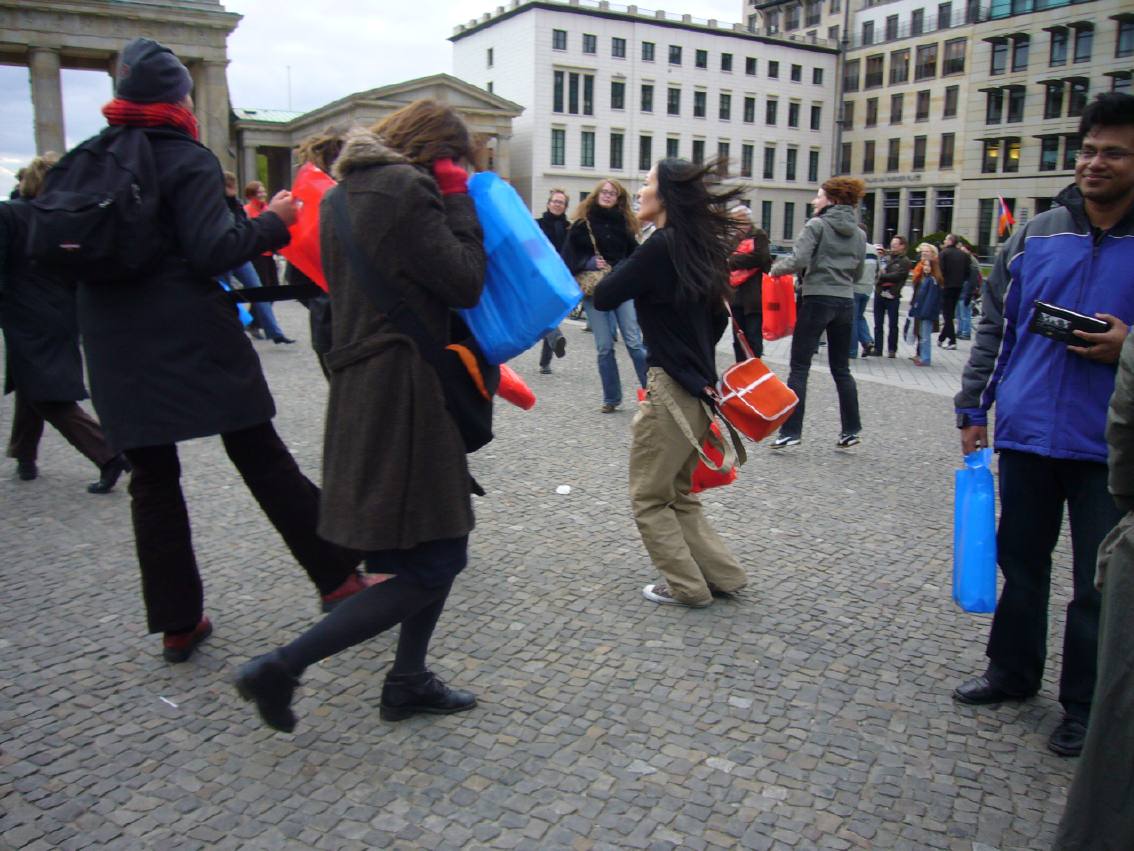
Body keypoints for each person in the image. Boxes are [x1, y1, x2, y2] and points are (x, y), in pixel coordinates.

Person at [78, 37, 376, 663]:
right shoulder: (184, 157)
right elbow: (216, 249)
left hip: (113, 340)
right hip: (190, 331)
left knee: (153, 482)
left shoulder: (88, 157)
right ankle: (339, 577)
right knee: (260, 453)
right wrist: (277, 219)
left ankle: (178, 623)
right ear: (177, 100)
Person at [235, 99, 484, 732]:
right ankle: (282, 667)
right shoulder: (407, 188)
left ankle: (408, 680)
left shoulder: (347, 191)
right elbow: (464, 281)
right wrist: (457, 197)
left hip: (366, 387)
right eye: (453, 162)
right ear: (438, 153)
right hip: (405, 392)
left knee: (427, 542)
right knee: (439, 555)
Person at [952, 92, 1134, 758]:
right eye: (1088, 149)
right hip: (1028, 429)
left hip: (1111, 444)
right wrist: (973, 407)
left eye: (1113, 152)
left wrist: (1128, 343)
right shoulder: (1035, 234)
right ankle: (1011, 672)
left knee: (1098, 582)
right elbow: (994, 327)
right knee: (1021, 563)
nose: (1094, 163)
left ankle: (1084, 706)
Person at [593, 158, 748, 608]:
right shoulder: (701, 247)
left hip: (670, 387)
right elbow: (718, 320)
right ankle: (723, 575)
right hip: (701, 386)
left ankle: (685, 586)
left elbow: (605, 295)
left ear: (666, 196)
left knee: (649, 495)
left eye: (646, 185)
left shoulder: (660, 246)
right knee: (677, 492)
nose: (638, 192)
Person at [1, 156, 128, 493]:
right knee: (33, 384)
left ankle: (108, 453)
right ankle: (24, 453)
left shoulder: (10, 215)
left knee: (46, 394)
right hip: (62, 311)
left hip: (26, 315)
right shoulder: (67, 218)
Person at [1052, 331, 1134, 850]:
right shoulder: (1035, 246)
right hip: (1037, 431)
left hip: (1096, 454)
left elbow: (1126, 424)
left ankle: (1080, 707)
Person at [769, 177, 866, 449]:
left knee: (799, 367)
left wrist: (775, 269)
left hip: (817, 298)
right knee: (841, 369)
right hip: (845, 301)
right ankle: (850, 430)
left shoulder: (817, 225)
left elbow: (798, 260)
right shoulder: (859, 233)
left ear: (832, 200)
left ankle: (791, 431)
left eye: (819, 196)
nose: (815, 200)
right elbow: (858, 272)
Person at [562, 179, 649, 412]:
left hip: (622, 287)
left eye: (613, 193)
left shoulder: (625, 223)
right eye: (605, 192)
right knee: (604, 347)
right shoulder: (582, 224)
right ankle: (611, 398)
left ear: (618, 198)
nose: (608, 196)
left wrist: (623, 268)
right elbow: (567, 259)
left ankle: (652, 391)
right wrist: (587, 262)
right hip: (596, 292)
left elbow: (637, 256)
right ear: (597, 194)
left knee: (633, 342)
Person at [222, 172, 294, 344]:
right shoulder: (218, 203)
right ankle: (236, 330)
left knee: (260, 289)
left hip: (246, 254)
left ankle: (274, 332)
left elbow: (243, 224)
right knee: (223, 294)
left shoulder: (238, 205)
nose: (263, 194)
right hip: (233, 253)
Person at [726, 206, 770, 362]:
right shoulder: (733, 239)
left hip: (754, 297)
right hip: (736, 296)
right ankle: (740, 368)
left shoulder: (758, 236)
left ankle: (755, 367)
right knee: (738, 338)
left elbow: (761, 258)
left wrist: (733, 261)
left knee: (753, 337)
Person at [534, 188, 569, 373]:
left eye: (561, 202)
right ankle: (555, 338)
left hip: (559, 278)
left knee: (551, 315)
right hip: (539, 277)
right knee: (545, 315)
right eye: (555, 201)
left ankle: (545, 363)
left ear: (565, 207)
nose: (557, 204)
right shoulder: (536, 224)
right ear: (548, 203)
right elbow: (530, 248)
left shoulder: (569, 228)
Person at [873, 236, 911, 359]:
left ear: (902, 246)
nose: (893, 247)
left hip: (893, 295)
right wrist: (881, 277)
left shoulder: (904, 261)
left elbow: (898, 276)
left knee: (893, 324)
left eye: (895, 244)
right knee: (878, 323)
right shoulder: (886, 257)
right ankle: (878, 348)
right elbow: (877, 272)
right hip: (880, 293)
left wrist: (883, 276)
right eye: (892, 244)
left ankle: (892, 349)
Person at [908, 243, 942, 367]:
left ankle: (925, 358)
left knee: (925, 336)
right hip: (921, 310)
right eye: (925, 266)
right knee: (922, 335)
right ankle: (922, 356)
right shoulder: (925, 278)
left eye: (927, 266)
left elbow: (930, 298)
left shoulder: (932, 280)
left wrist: (924, 312)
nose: (925, 268)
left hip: (926, 312)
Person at [243, 180, 281, 290]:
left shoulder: (267, 209)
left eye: (263, 192)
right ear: (251, 195)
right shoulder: (247, 210)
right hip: (256, 255)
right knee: (262, 289)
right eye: (259, 192)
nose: (263, 194)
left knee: (273, 287)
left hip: (268, 254)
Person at [849, 226, 879, 359]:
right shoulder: (874, 250)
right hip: (867, 289)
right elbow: (879, 270)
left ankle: (852, 350)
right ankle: (867, 342)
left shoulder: (853, 248)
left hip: (855, 287)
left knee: (853, 319)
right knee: (860, 317)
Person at [937, 233, 967, 349]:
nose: (944, 241)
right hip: (958, 286)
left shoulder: (944, 253)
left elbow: (941, 271)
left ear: (950, 241)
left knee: (947, 315)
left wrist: (941, 283)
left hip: (946, 287)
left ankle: (952, 340)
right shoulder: (964, 255)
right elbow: (967, 272)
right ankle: (942, 338)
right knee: (950, 314)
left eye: (945, 239)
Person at [956, 243, 980, 340]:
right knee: (960, 314)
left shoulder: (972, 265)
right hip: (960, 292)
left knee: (965, 314)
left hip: (966, 293)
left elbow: (972, 282)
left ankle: (966, 332)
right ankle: (960, 331)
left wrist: (969, 294)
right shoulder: (962, 264)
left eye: (964, 250)